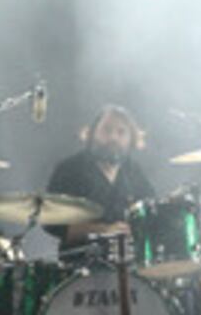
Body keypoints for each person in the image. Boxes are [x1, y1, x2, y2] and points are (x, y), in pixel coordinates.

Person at [44, 103, 156, 245]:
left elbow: (151, 210)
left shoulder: (133, 171)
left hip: (129, 256)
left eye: (121, 132)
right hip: (82, 256)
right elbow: (51, 224)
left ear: (131, 139)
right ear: (93, 133)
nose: (113, 137)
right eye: (107, 130)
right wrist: (103, 230)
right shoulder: (69, 169)